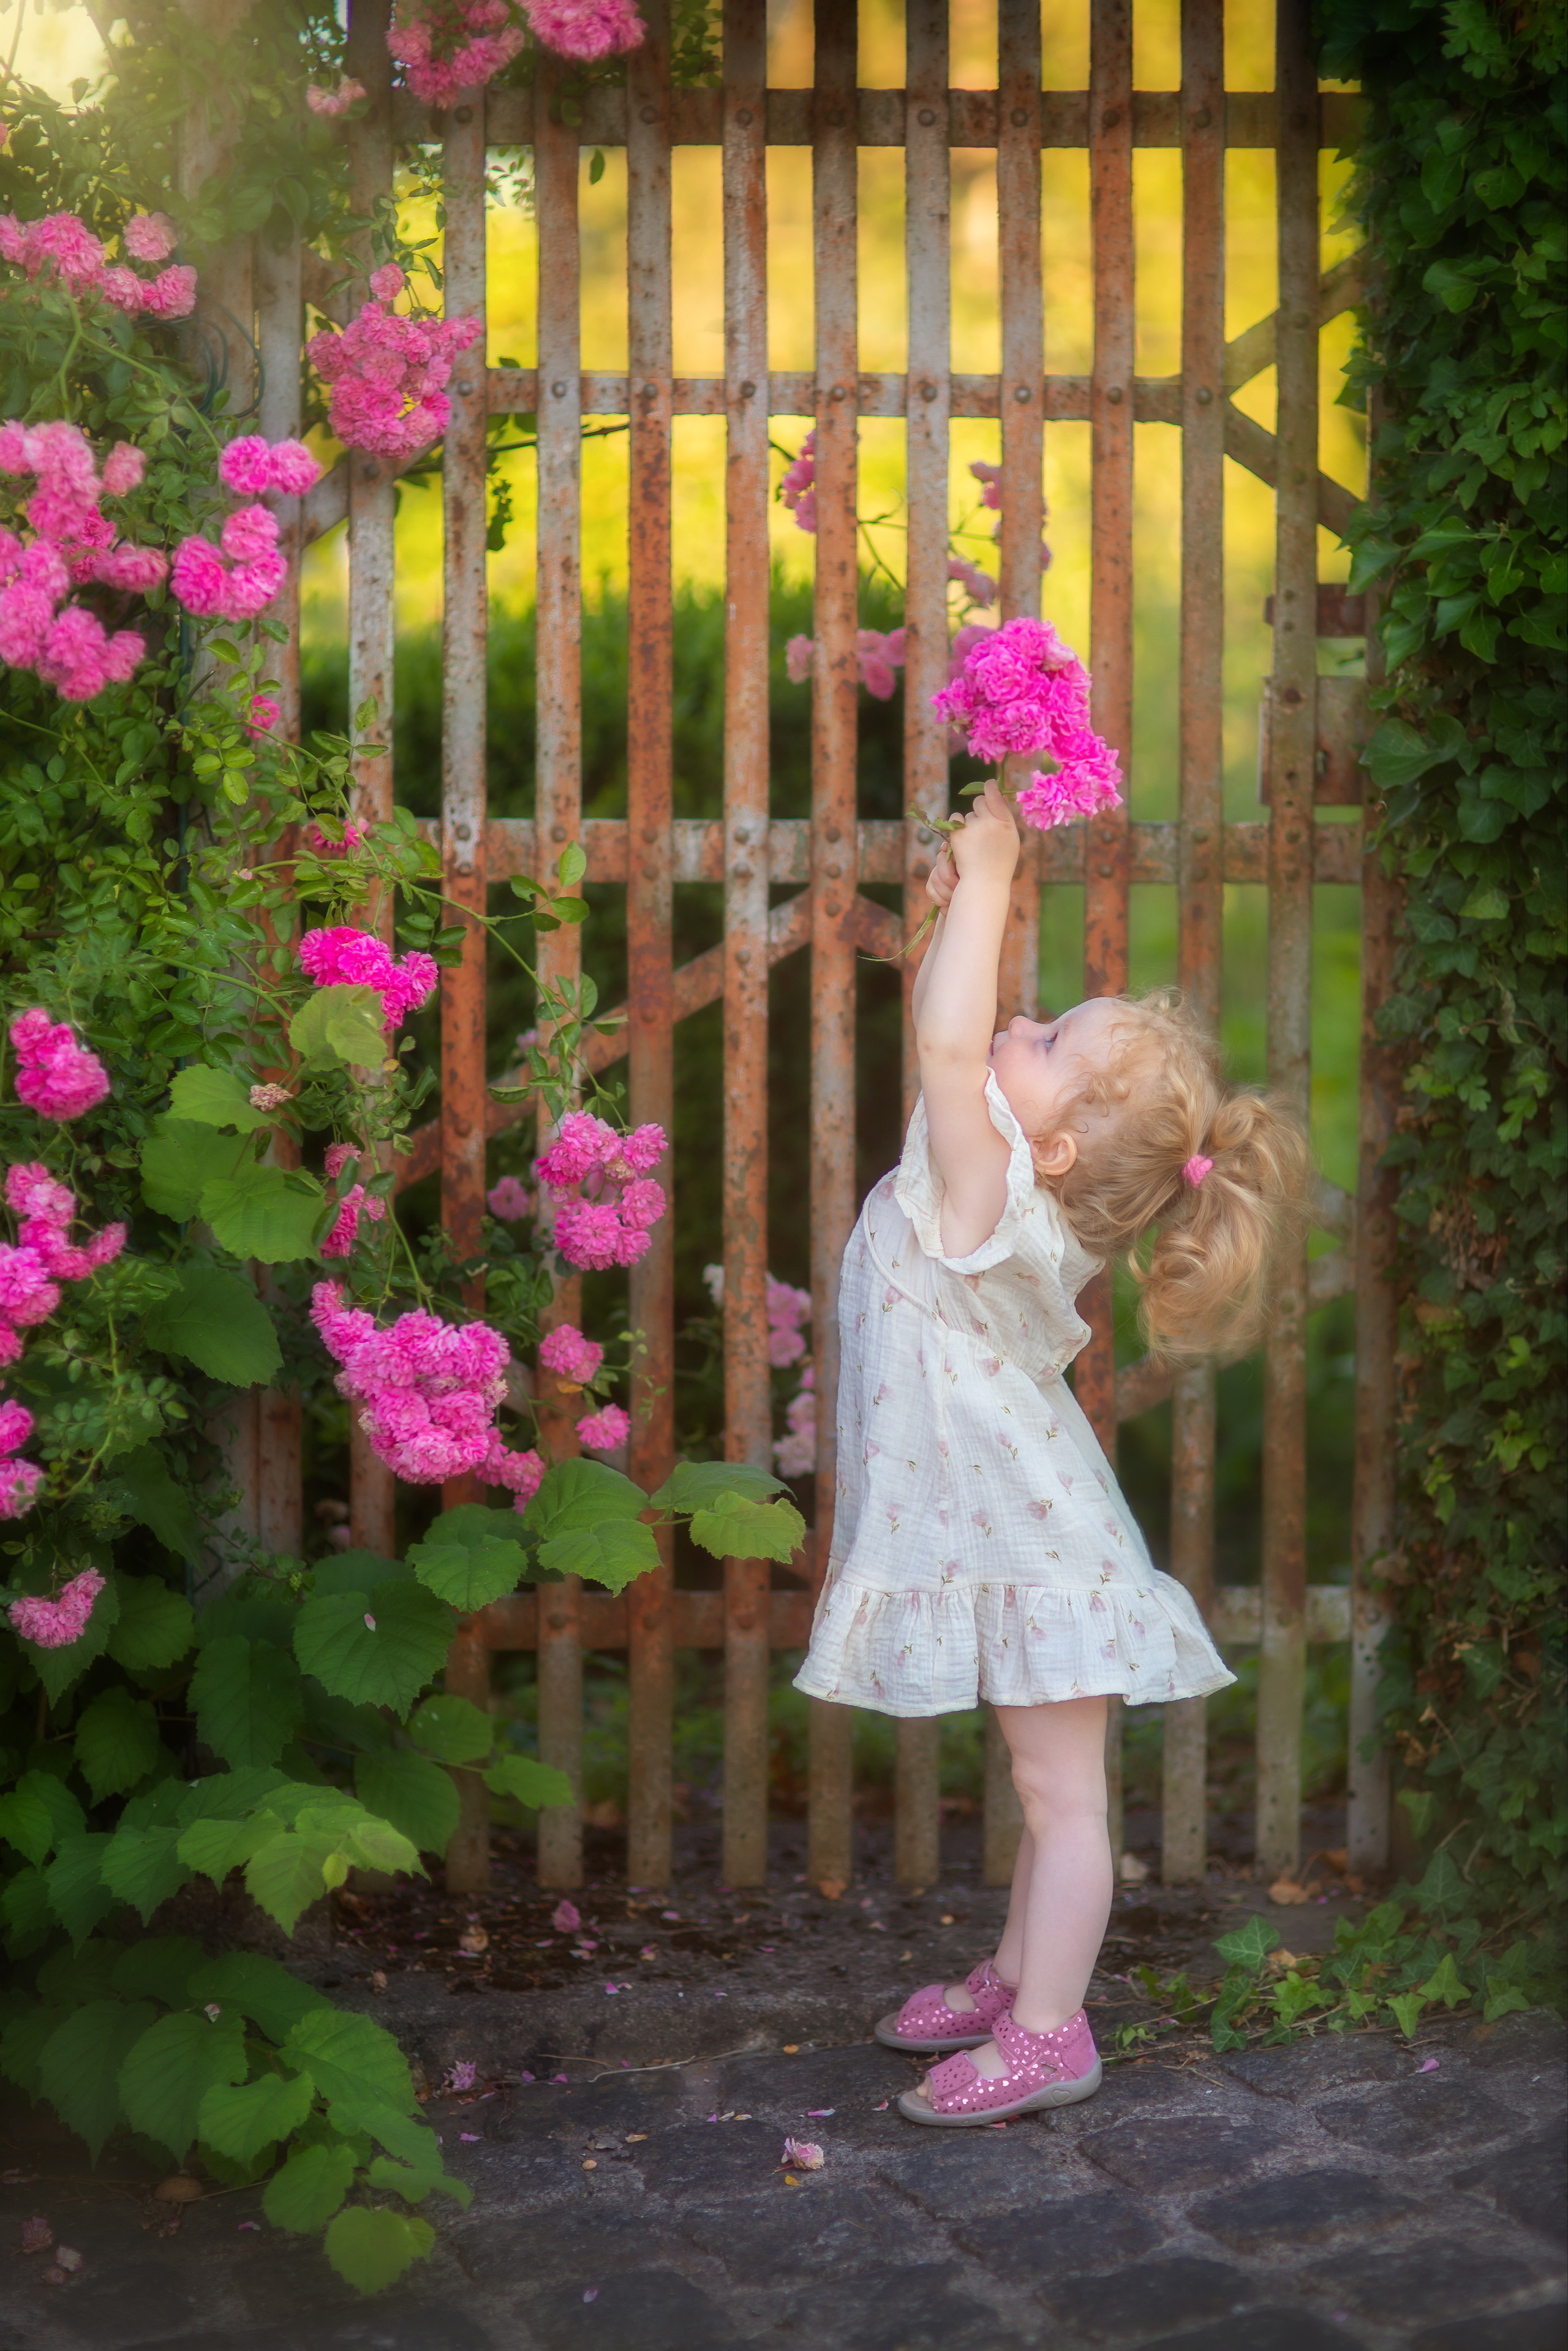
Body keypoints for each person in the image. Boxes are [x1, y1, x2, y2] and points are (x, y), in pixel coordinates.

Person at [793, 779, 1313, 2125]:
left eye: (1044, 1038)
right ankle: (1019, 1970)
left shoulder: (988, 1192)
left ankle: (1048, 2034)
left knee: (1063, 1799)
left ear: (1054, 1139)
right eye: (1032, 1019)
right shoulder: (1006, 1182)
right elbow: (964, 1044)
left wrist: (988, 873)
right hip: (1013, 1534)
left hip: (1037, 1549)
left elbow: (946, 1038)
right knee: (1041, 1786)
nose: (1014, 1024)